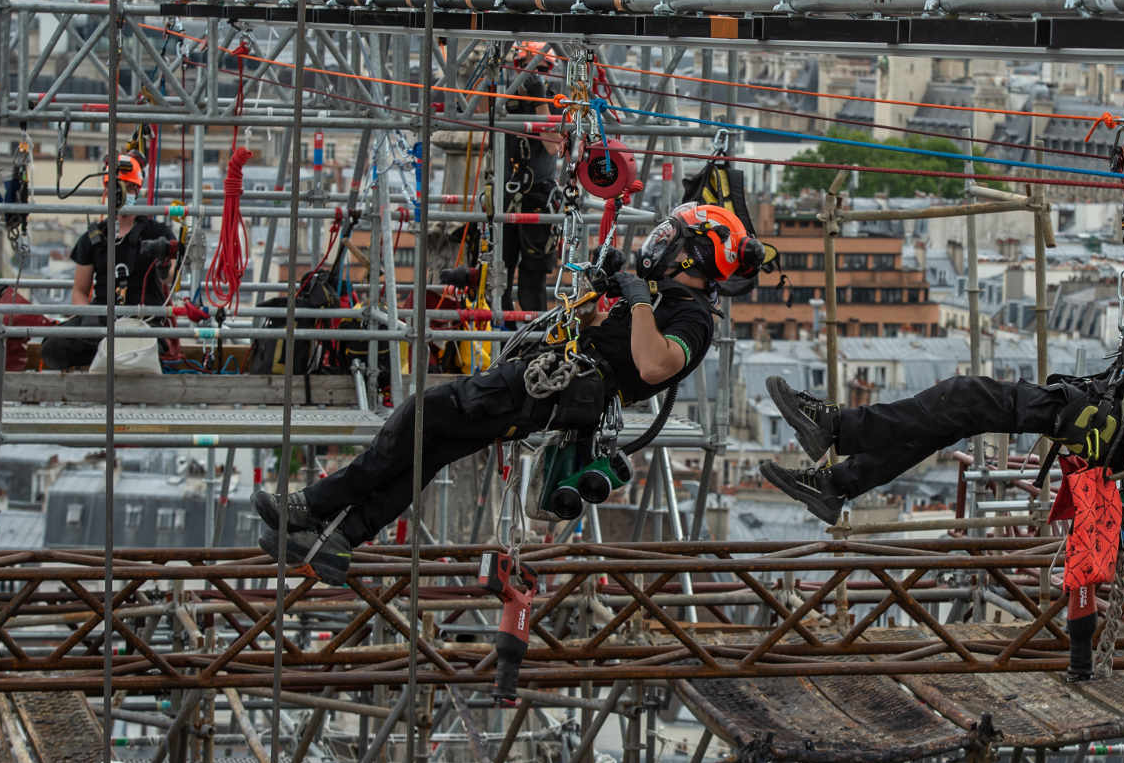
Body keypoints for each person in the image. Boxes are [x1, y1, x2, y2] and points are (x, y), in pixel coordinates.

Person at [253, 201, 760, 583]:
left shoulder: (691, 315)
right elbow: (603, 335)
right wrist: (606, 298)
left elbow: (654, 366)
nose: (658, 247)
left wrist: (638, 302)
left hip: (541, 391)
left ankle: (313, 505)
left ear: (693, 253)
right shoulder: (660, 299)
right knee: (429, 449)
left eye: (671, 240)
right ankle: (341, 539)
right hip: (547, 388)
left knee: (417, 418)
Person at [761, 289, 1124, 524]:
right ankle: (839, 485)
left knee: (963, 396)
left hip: (1112, 432)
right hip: (1104, 415)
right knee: (956, 416)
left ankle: (837, 427)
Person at [42, 153, 180, 371]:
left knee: (136, 350)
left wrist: (163, 261)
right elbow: (79, 290)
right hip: (101, 320)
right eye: (118, 187)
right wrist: (89, 322)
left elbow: (169, 277)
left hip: (143, 320)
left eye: (129, 187)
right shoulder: (95, 238)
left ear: (138, 190)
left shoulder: (158, 233)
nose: (124, 193)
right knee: (53, 346)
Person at [502, 41, 561, 313]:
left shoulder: (555, 104)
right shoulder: (506, 103)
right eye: (525, 69)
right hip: (504, 194)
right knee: (499, 271)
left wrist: (539, 102)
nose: (532, 75)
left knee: (533, 275)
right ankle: (500, 332)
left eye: (540, 69)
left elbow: (553, 145)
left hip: (537, 196)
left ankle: (532, 338)